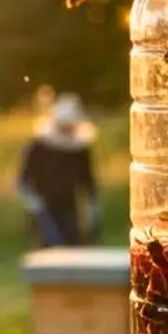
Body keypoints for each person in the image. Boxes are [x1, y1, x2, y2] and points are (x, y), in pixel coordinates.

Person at [16, 93, 101, 248]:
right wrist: (34, 203)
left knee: (73, 249)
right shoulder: (38, 148)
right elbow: (23, 180)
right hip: (43, 206)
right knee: (50, 249)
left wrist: (92, 211)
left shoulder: (79, 151)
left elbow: (88, 181)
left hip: (69, 206)